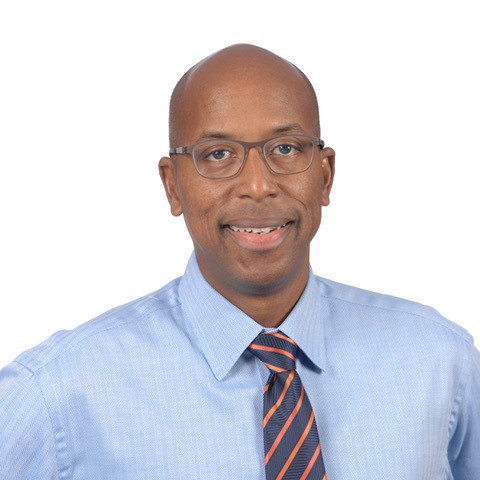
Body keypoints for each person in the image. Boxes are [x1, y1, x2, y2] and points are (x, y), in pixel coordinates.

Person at [0, 44, 478, 479]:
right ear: (173, 186)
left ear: (326, 175)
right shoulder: (57, 393)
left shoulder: (441, 362)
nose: (257, 185)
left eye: (286, 149)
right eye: (218, 154)